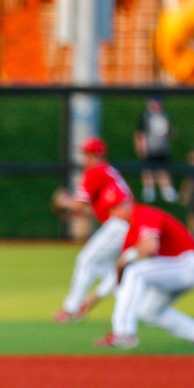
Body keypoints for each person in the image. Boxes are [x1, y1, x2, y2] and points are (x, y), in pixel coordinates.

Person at [97, 203, 194, 349]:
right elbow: (121, 269)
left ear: (127, 204)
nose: (114, 213)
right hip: (172, 271)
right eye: (111, 210)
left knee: (135, 273)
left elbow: (150, 246)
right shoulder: (131, 233)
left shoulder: (142, 214)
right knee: (149, 311)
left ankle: (124, 333)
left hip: (188, 265)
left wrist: (125, 259)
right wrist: (91, 300)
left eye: (116, 207)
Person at [53, 137, 135, 324]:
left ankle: (71, 309)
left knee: (86, 259)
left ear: (96, 155)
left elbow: (78, 204)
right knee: (102, 265)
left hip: (120, 224)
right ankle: (131, 302)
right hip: (125, 223)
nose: (84, 158)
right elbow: (92, 209)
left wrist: (63, 201)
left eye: (87, 154)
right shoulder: (107, 171)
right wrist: (73, 210)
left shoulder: (95, 172)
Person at [134, 95, 177, 203]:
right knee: (148, 170)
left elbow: (170, 132)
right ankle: (149, 190)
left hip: (162, 148)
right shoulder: (145, 116)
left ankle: (166, 190)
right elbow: (140, 133)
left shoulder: (164, 115)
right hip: (149, 148)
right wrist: (140, 146)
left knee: (163, 169)